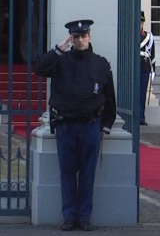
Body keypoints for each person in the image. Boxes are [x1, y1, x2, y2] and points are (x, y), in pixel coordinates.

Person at [34, 19, 117, 231]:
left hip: (90, 125)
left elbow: (110, 98)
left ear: (89, 37)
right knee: (67, 173)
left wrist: (106, 125)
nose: (80, 40)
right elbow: (38, 68)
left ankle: (84, 217)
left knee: (88, 174)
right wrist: (58, 49)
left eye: (84, 36)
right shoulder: (60, 61)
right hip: (66, 125)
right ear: (71, 38)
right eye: (76, 37)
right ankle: (69, 217)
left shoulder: (100, 63)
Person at [139, 11, 155, 125]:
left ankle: (141, 116)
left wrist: (153, 69)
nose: (139, 24)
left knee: (142, 93)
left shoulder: (148, 36)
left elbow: (152, 53)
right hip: (133, 66)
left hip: (144, 66)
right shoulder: (130, 34)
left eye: (141, 22)